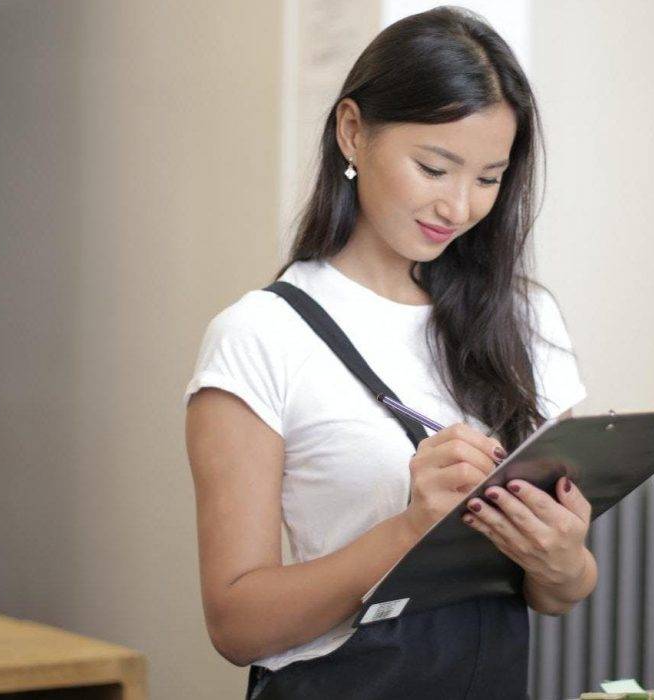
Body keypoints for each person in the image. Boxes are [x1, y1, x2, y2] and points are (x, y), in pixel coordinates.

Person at [183, 6, 595, 698]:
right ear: (353, 132)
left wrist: (560, 561)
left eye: (489, 178)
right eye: (434, 167)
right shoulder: (259, 335)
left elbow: (562, 591)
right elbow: (236, 623)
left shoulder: (524, 316)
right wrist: (409, 529)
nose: (460, 207)